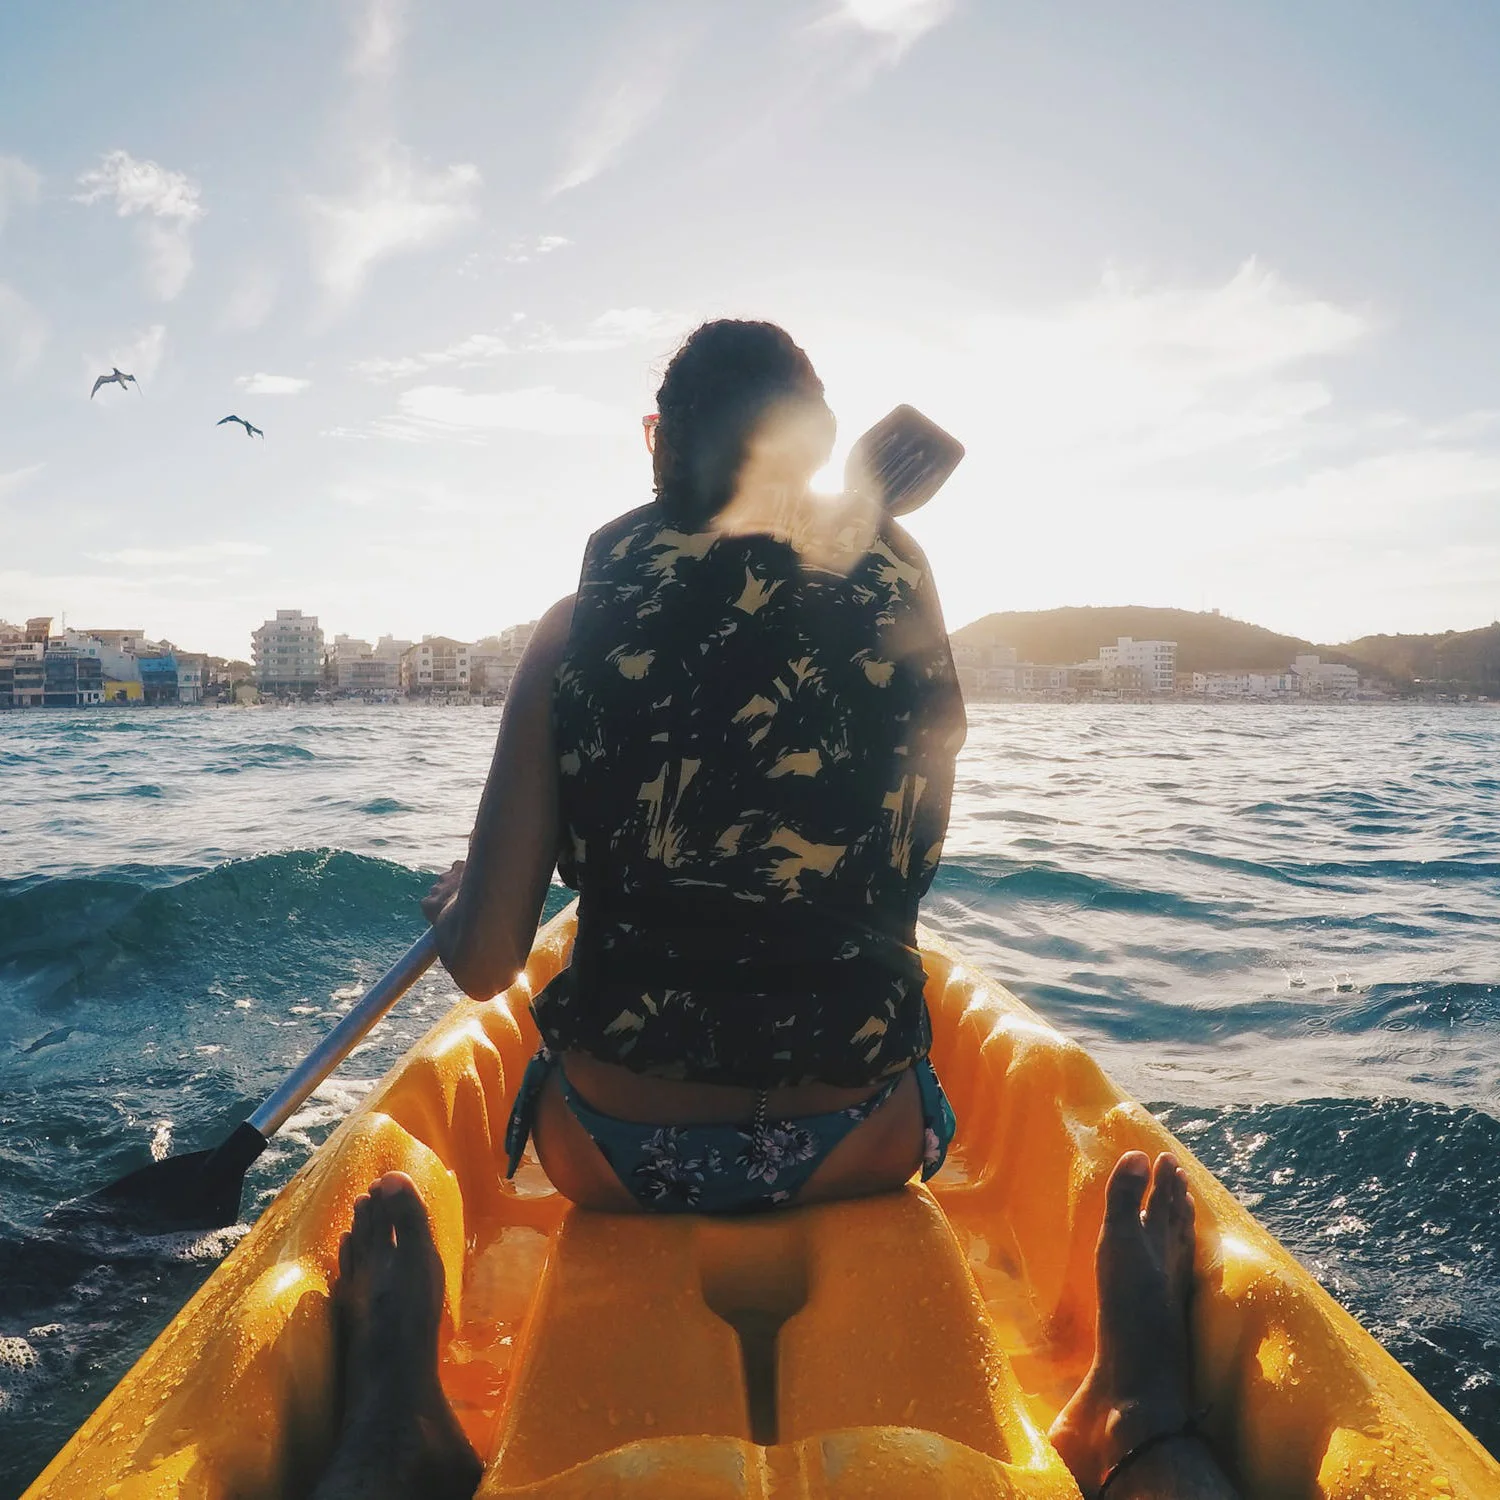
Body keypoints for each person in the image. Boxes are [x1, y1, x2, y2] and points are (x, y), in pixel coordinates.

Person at [308, 321, 1240, 1498]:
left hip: (612, 1150)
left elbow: (493, 960)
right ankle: (1140, 1418)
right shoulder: (899, 588)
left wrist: (460, 900)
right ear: (816, 448)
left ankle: (398, 1422)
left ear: (657, 441)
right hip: (862, 1139)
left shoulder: (571, 629)